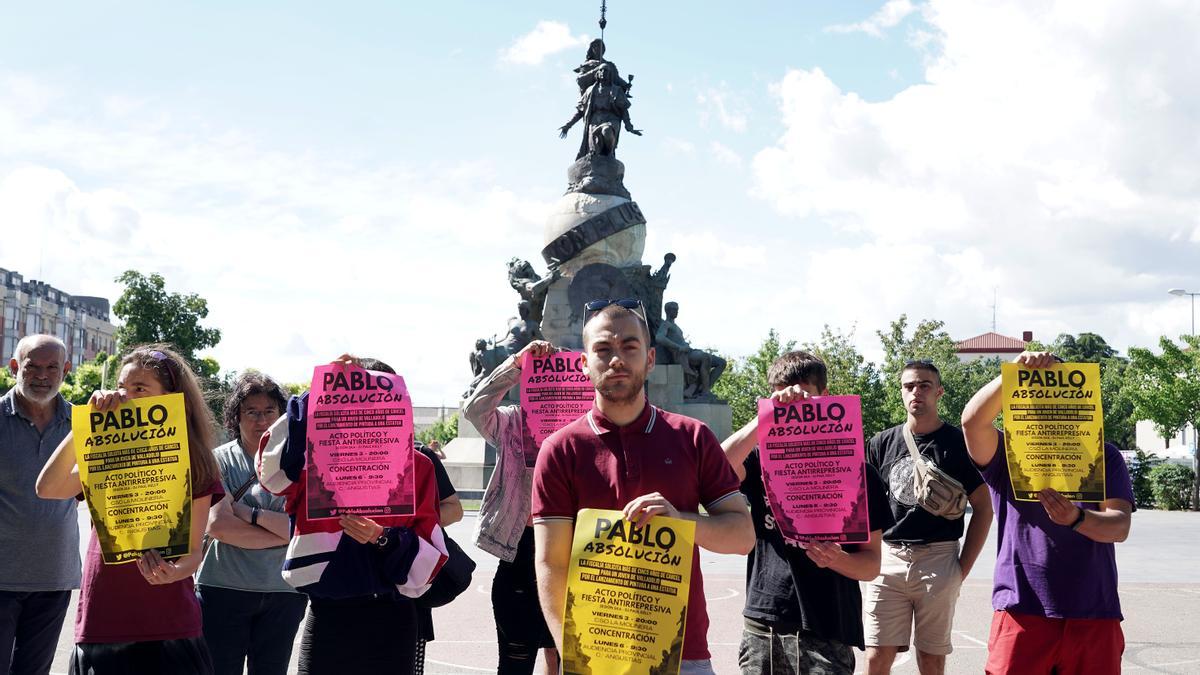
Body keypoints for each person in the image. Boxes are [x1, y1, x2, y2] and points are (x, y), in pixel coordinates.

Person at [532, 299, 753, 675]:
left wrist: (679, 521)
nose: (616, 358)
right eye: (602, 349)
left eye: (629, 347)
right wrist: (573, 652)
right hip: (594, 656)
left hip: (682, 654)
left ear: (650, 359)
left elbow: (742, 536)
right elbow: (552, 563)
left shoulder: (693, 437)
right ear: (584, 363)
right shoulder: (560, 449)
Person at [36, 344, 224, 674]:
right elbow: (47, 488)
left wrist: (173, 573)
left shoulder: (195, 461)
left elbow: (194, 552)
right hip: (104, 621)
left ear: (171, 397)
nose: (125, 396)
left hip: (170, 625)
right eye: (122, 387)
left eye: (139, 388)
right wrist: (88, 425)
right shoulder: (107, 456)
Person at [255, 355, 448, 675]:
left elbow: (430, 563)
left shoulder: (418, 466)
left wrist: (383, 538)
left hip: (392, 620)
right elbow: (270, 473)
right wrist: (317, 391)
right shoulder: (312, 459)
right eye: (356, 400)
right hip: (328, 617)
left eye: (382, 401)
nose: (369, 410)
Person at [722, 350, 894, 675]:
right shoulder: (758, 461)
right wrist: (767, 416)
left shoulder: (858, 472)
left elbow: (871, 564)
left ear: (824, 397)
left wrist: (837, 559)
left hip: (827, 626)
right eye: (783, 400)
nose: (794, 411)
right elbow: (715, 467)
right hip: (765, 622)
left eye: (804, 398)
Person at [961, 351, 1133, 675]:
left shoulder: (1104, 455)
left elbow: (1119, 526)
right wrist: (1012, 373)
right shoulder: (1006, 457)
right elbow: (972, 422)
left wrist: (1078, 519)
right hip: (1021, 608)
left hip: (1093, 612)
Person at [862, 360, 993, 675]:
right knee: (877, 656)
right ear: (901, 392)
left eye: (924, 386)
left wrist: (961, 569)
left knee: (931, 660)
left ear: (939, 392)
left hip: (938, 558)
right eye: (909, 386)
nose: (916, 392)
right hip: (888, 559)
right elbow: (864, 504)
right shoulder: (881, 442)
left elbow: (984, 507)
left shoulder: (958, 443)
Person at [196, 372, 307, 675]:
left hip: (284, 592)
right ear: (236, 416)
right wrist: (285, 531)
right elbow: (219, 527)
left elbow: (302, 528)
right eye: (251, 412)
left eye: (269, 411)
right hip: (222, 590)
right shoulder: (216, 461)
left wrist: (248, 514)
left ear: (282, 415)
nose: (261, 420)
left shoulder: (299, 465)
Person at [462, 339, 560, 675]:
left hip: (569, 552)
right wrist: (516, 364)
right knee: (515, 663)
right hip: (520, 550)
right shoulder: (512, 422)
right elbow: (474, 410)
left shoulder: (587, 428)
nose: (552, 391)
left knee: (565, 660)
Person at [0, 336, 79, 675]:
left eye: (52, 368)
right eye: (33, 366)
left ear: (66, 370)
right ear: (14, 367)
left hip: (54, 576)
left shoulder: (83, 424)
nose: (42, 376)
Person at [412, 437, 463, 675]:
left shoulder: (420, 455)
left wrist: (404, 525)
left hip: (408, 588)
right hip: (345, 594)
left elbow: (454, 510)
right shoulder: (335, 452)